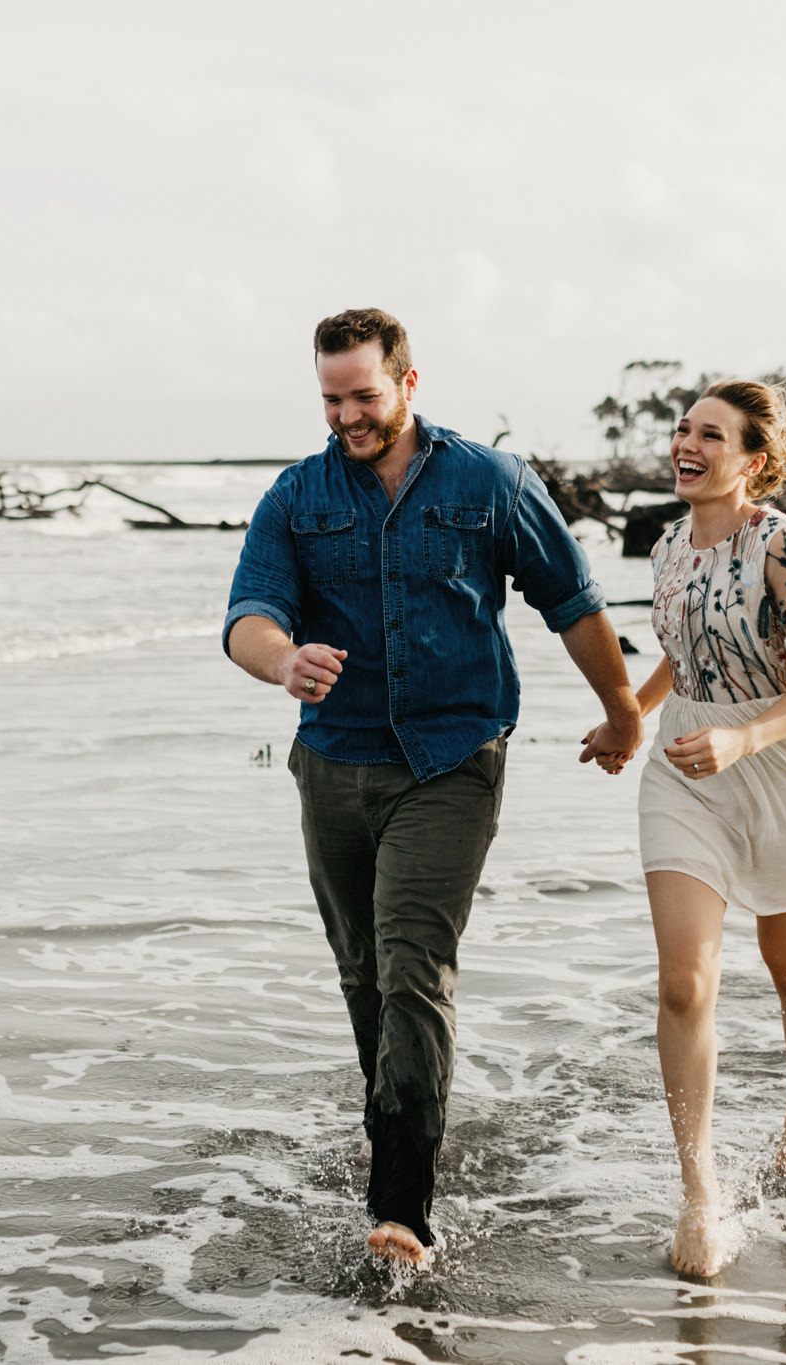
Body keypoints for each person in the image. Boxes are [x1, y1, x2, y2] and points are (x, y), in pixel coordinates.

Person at [224, 308, 644, 1265]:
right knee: (364, 975)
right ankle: (399, 1131)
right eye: (331, 399)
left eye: (364, 395)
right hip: (333, 760)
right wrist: (284, 660)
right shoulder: (297, 496)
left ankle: (402, 1208)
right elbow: (249, 613)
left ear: (410, 381)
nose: (348, 416)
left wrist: (622, 711)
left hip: (452, 758)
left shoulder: (490, 481)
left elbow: (572, 601)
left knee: (414, 966)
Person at [584, 380, 786, 1277]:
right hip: (687, 768)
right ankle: (700, 1195)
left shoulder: (779, 541)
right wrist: (631, 718)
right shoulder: (669, 541)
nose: (686, 443)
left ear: (753, 458)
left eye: (710, 434)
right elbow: (682, 652)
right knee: (684, 982)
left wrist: (747, 733)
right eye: (682, 429)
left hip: (783, 761)